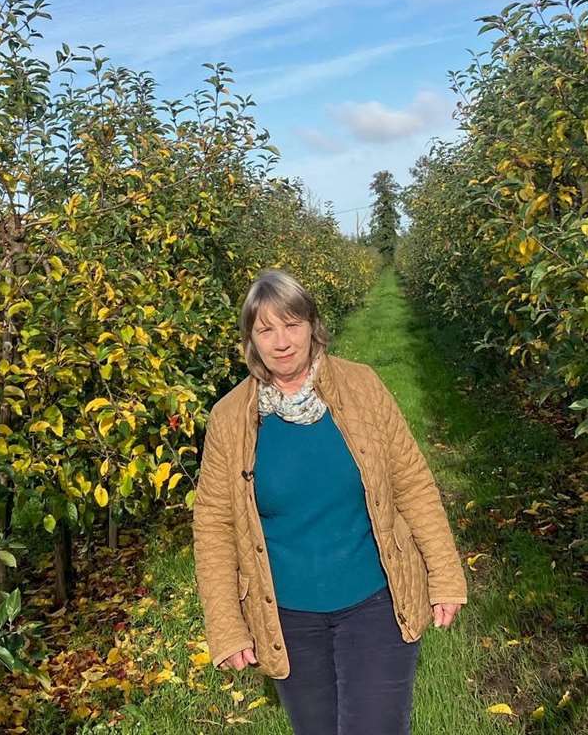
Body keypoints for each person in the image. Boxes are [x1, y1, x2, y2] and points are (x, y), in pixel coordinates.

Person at [191, 268, 467, 735]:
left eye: (292, 324)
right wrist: (227, 624)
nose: (282, 341)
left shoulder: (362, 387)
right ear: (250, 341)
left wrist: (444, 574)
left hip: (376, 601)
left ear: (313, 326)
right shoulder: (229, 417)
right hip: (287, 616)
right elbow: (214, 525)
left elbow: (413, 483)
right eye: (266, 329)